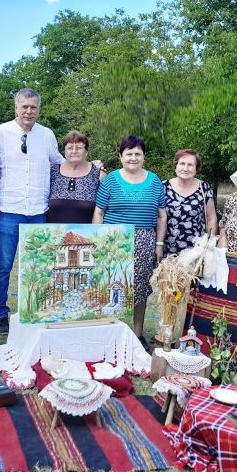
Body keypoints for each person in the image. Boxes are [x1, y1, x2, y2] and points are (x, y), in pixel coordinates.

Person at [0, 88, 63, 333]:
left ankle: (35, 311)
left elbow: (58, 162)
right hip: (9, 209)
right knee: (3, 266)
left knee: (38, 266)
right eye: (24, 107)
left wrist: (88, 167)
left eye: (33, 107)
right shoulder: (0, 133)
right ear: (16, 108)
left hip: (38, 211)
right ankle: (0, 314)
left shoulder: (47, 135)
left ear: (39, 109)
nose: (29, 111)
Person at [93, 135, 167, 348]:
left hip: (144, 240)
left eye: (138, 153)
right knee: (111, 286)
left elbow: (162, 216)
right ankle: (109, 331)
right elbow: (99, 212)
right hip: (114, 240)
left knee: (139, 288)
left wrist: (159, 244)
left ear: (144, 157)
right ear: (120, 156)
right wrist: (99, 241)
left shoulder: (154, 182)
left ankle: (137, 334)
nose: (133, 158)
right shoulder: (111, 180)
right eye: (129, 153)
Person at [163, 149, 217, 255]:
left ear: (196, 169)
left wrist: (209, 243)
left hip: (196, 251)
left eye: (190, 165)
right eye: (182, 164)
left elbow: (211, 218)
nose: (185, 168)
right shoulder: (163, 187)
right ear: (176, 166)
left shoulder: (204, 187)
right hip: (168, 250)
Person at [47, 130, 104, 223]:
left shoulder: (98, 174)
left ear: (86, 152)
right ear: (64, 152)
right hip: (52, 235)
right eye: (70, 148)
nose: (74, 151)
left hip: (87, 236)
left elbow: (106, 209)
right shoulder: (52, 172)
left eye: (78, 148)